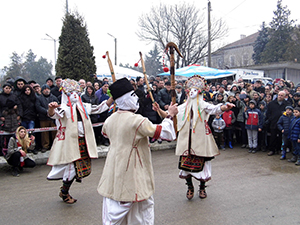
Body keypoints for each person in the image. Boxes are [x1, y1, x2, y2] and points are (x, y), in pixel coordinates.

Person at [97, 78, 177, 224]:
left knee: (115, 205)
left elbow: (105, 134)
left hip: (113, 170)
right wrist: (170, 115)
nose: (136, 99)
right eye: (133, 96)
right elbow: (166, 133)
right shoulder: (137, 120)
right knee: (140, 208)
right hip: (133, 171)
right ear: (125, 99)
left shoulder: (110, 120)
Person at [47, 79, 113, 204]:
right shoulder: (63, 109)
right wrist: (51, 108)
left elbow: (100, 108)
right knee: (72, 168)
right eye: (71, 93)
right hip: (70, 143)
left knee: (76, 169)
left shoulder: (83, 107)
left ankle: (64, 190)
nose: (74, 95)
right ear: (66, 95)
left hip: (83, 141)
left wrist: (112, 97)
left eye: (76, 92)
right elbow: (52, 115)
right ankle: (64, 192)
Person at [175, 75, 234, 200]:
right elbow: (171, 114)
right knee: (186, 166)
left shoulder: (203, 104)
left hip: (200, 138)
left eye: (195, 90)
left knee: (203, 164)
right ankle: (190, 187)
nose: (192, 92)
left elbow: (215, 109)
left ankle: (202, 188)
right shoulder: (183, 106)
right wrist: (160, 110)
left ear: (200, 92)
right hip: (187, 140)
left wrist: (224, 107)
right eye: (190, 90)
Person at [266, 91, 291, 156]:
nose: (279, 96)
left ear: (285, 96)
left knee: (281, 137)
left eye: (281, 95)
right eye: (279, 95)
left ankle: (279, 150)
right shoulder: (272, 103)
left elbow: (290, 113)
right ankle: (272, 150)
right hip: (273, 122)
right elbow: (268, 112)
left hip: (283, 124)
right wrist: (270, 118)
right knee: (273, 137)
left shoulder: (287, 104)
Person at [35, 84, 58, 153]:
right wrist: (47, 112)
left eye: (48, 89)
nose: (46, 90)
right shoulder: (39, 98)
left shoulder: (53, 97)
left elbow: (57, 105)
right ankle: (45, 146)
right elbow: (38, 107)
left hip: (53, 118)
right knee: (44, 133)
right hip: (43, 118)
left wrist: (52, 112)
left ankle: (55, 145)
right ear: (42, 91)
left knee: (55, 132)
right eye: (45, 89)